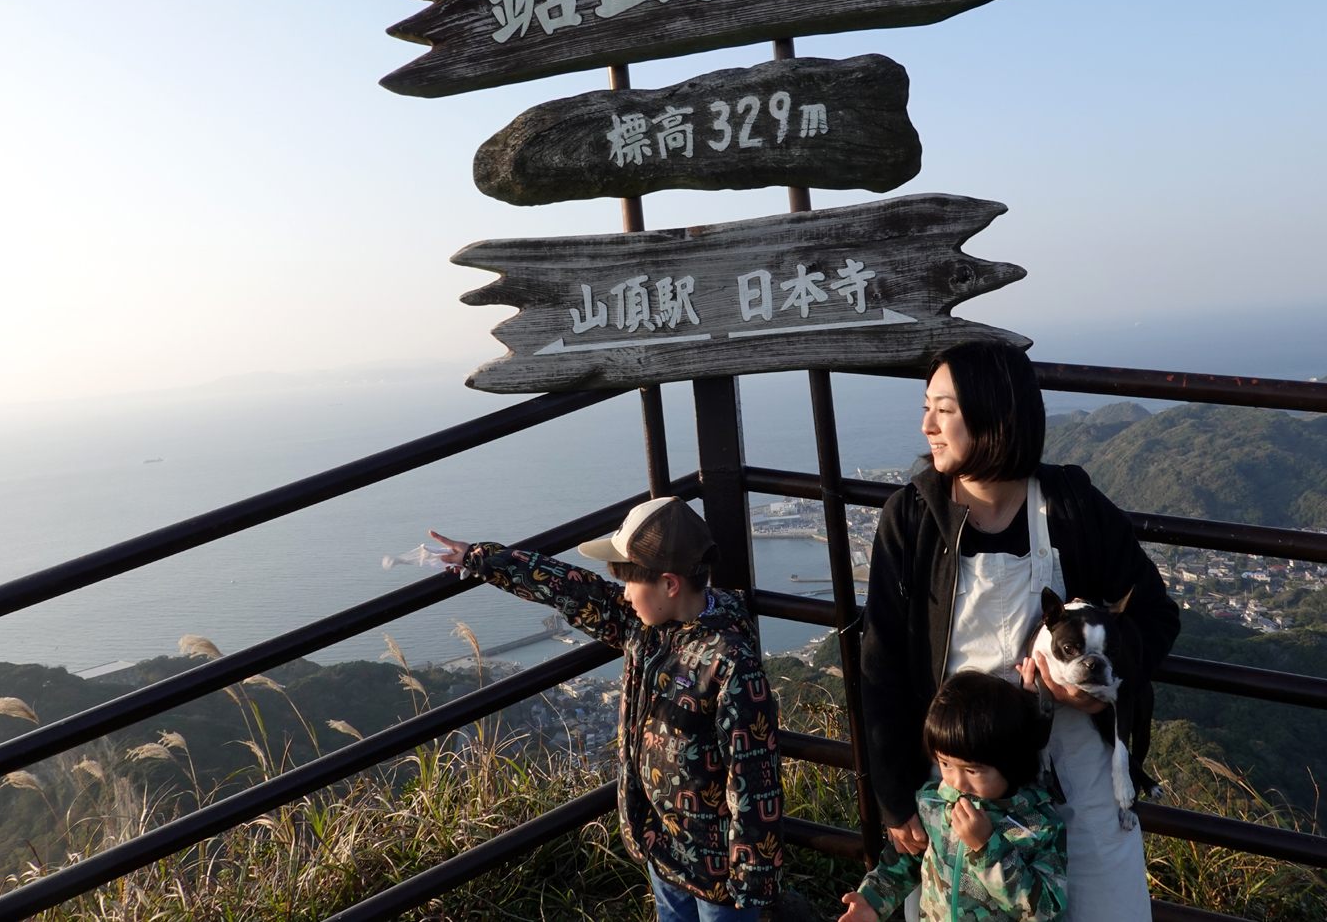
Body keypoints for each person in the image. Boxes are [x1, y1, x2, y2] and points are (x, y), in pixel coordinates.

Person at [860, 341, 1180, 922]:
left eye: (944, 409)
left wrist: (1096, 686)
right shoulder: (912, 519)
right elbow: (882, 665)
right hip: (961, 785)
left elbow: (1155, 615)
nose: (926, 424)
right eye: (926, 407)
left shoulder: (1070, 506)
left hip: (1077, 779)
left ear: (994, 418)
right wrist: (894, 795)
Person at [429, 495, 782, 921]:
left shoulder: (730, 663)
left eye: (630, 581)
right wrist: (480, 559)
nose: (624, 592)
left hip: (719, 871)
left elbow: (754, 778)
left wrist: (752, 882)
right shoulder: (643, 626)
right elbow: (571, 588)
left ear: (670, 585)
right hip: (661, 847)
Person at [838, 670, 1066, 922]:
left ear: (1011, 763)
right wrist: (871, 901)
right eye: (945, 764)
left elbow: (1046, 910)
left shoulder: (1037, 825)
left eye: (972, 770)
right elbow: (902, 865)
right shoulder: (932, 804)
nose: (957, 782)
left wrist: (987, 848)